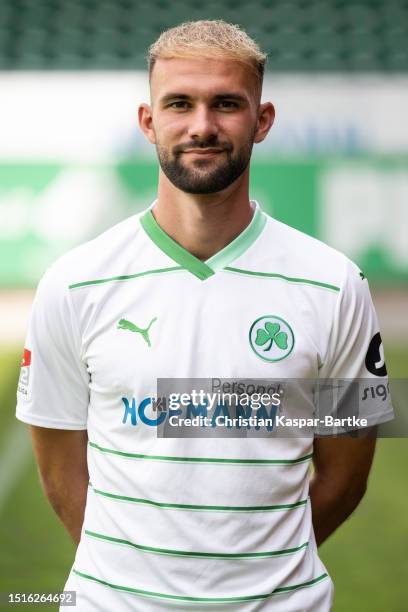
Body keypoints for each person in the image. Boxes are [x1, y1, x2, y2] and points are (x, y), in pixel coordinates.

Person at [16, 19, 393, 612]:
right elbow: (59, 466)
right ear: (149, 121)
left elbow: (347, 473)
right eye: (179, 103)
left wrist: (260, 577)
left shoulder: (337, 284)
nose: (202, 126)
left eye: (226, 104)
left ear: (262, 120)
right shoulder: (74, 283)